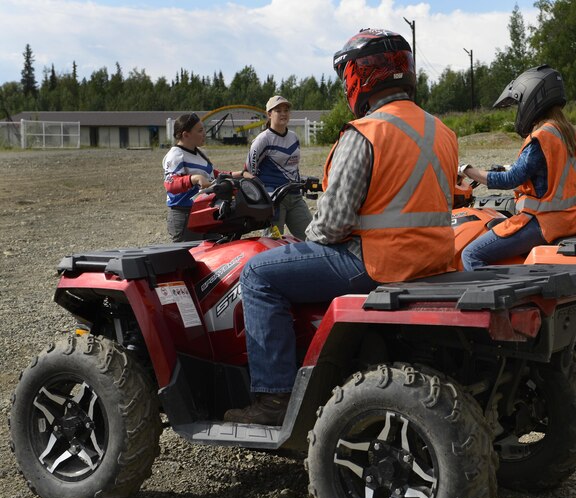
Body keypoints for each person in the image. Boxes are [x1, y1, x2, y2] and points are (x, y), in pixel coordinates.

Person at [223, 28, 458, 425]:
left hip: (376, 261)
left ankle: (272, 399)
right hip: (434, 259)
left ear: (360, 76)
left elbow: (331, 226)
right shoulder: (442, 132)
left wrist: (300, 242)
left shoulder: (366, 132)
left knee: (259, 272)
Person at [458, 66, 576, 270]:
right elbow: (551, 170)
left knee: (471, 254)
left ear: (533, 98)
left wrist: (466, 169)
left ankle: (492, 301)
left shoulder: (542, 136)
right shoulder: (570, 134)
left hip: (542, 223)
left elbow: (509, 180)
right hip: (570, 221)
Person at [162, 113, 244, 241]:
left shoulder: (199, 153)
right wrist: (194, 179)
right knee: (189, 259)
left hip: (204, 210)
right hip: (185, 214)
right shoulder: (176, 155)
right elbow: (170, 184)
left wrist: (238, 174)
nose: (204, 133)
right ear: (186, 135)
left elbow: (211, 174)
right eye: (200, 130)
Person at [244, 95, 313, 239]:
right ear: (269, 114)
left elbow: (294, 167)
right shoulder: (263, 140)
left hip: (295, 197)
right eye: (278, 110)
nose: (283, 114)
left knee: (311, 238)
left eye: (286, 110)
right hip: (274, 201)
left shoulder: (294, 137)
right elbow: (250, 171)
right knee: (273, 244)